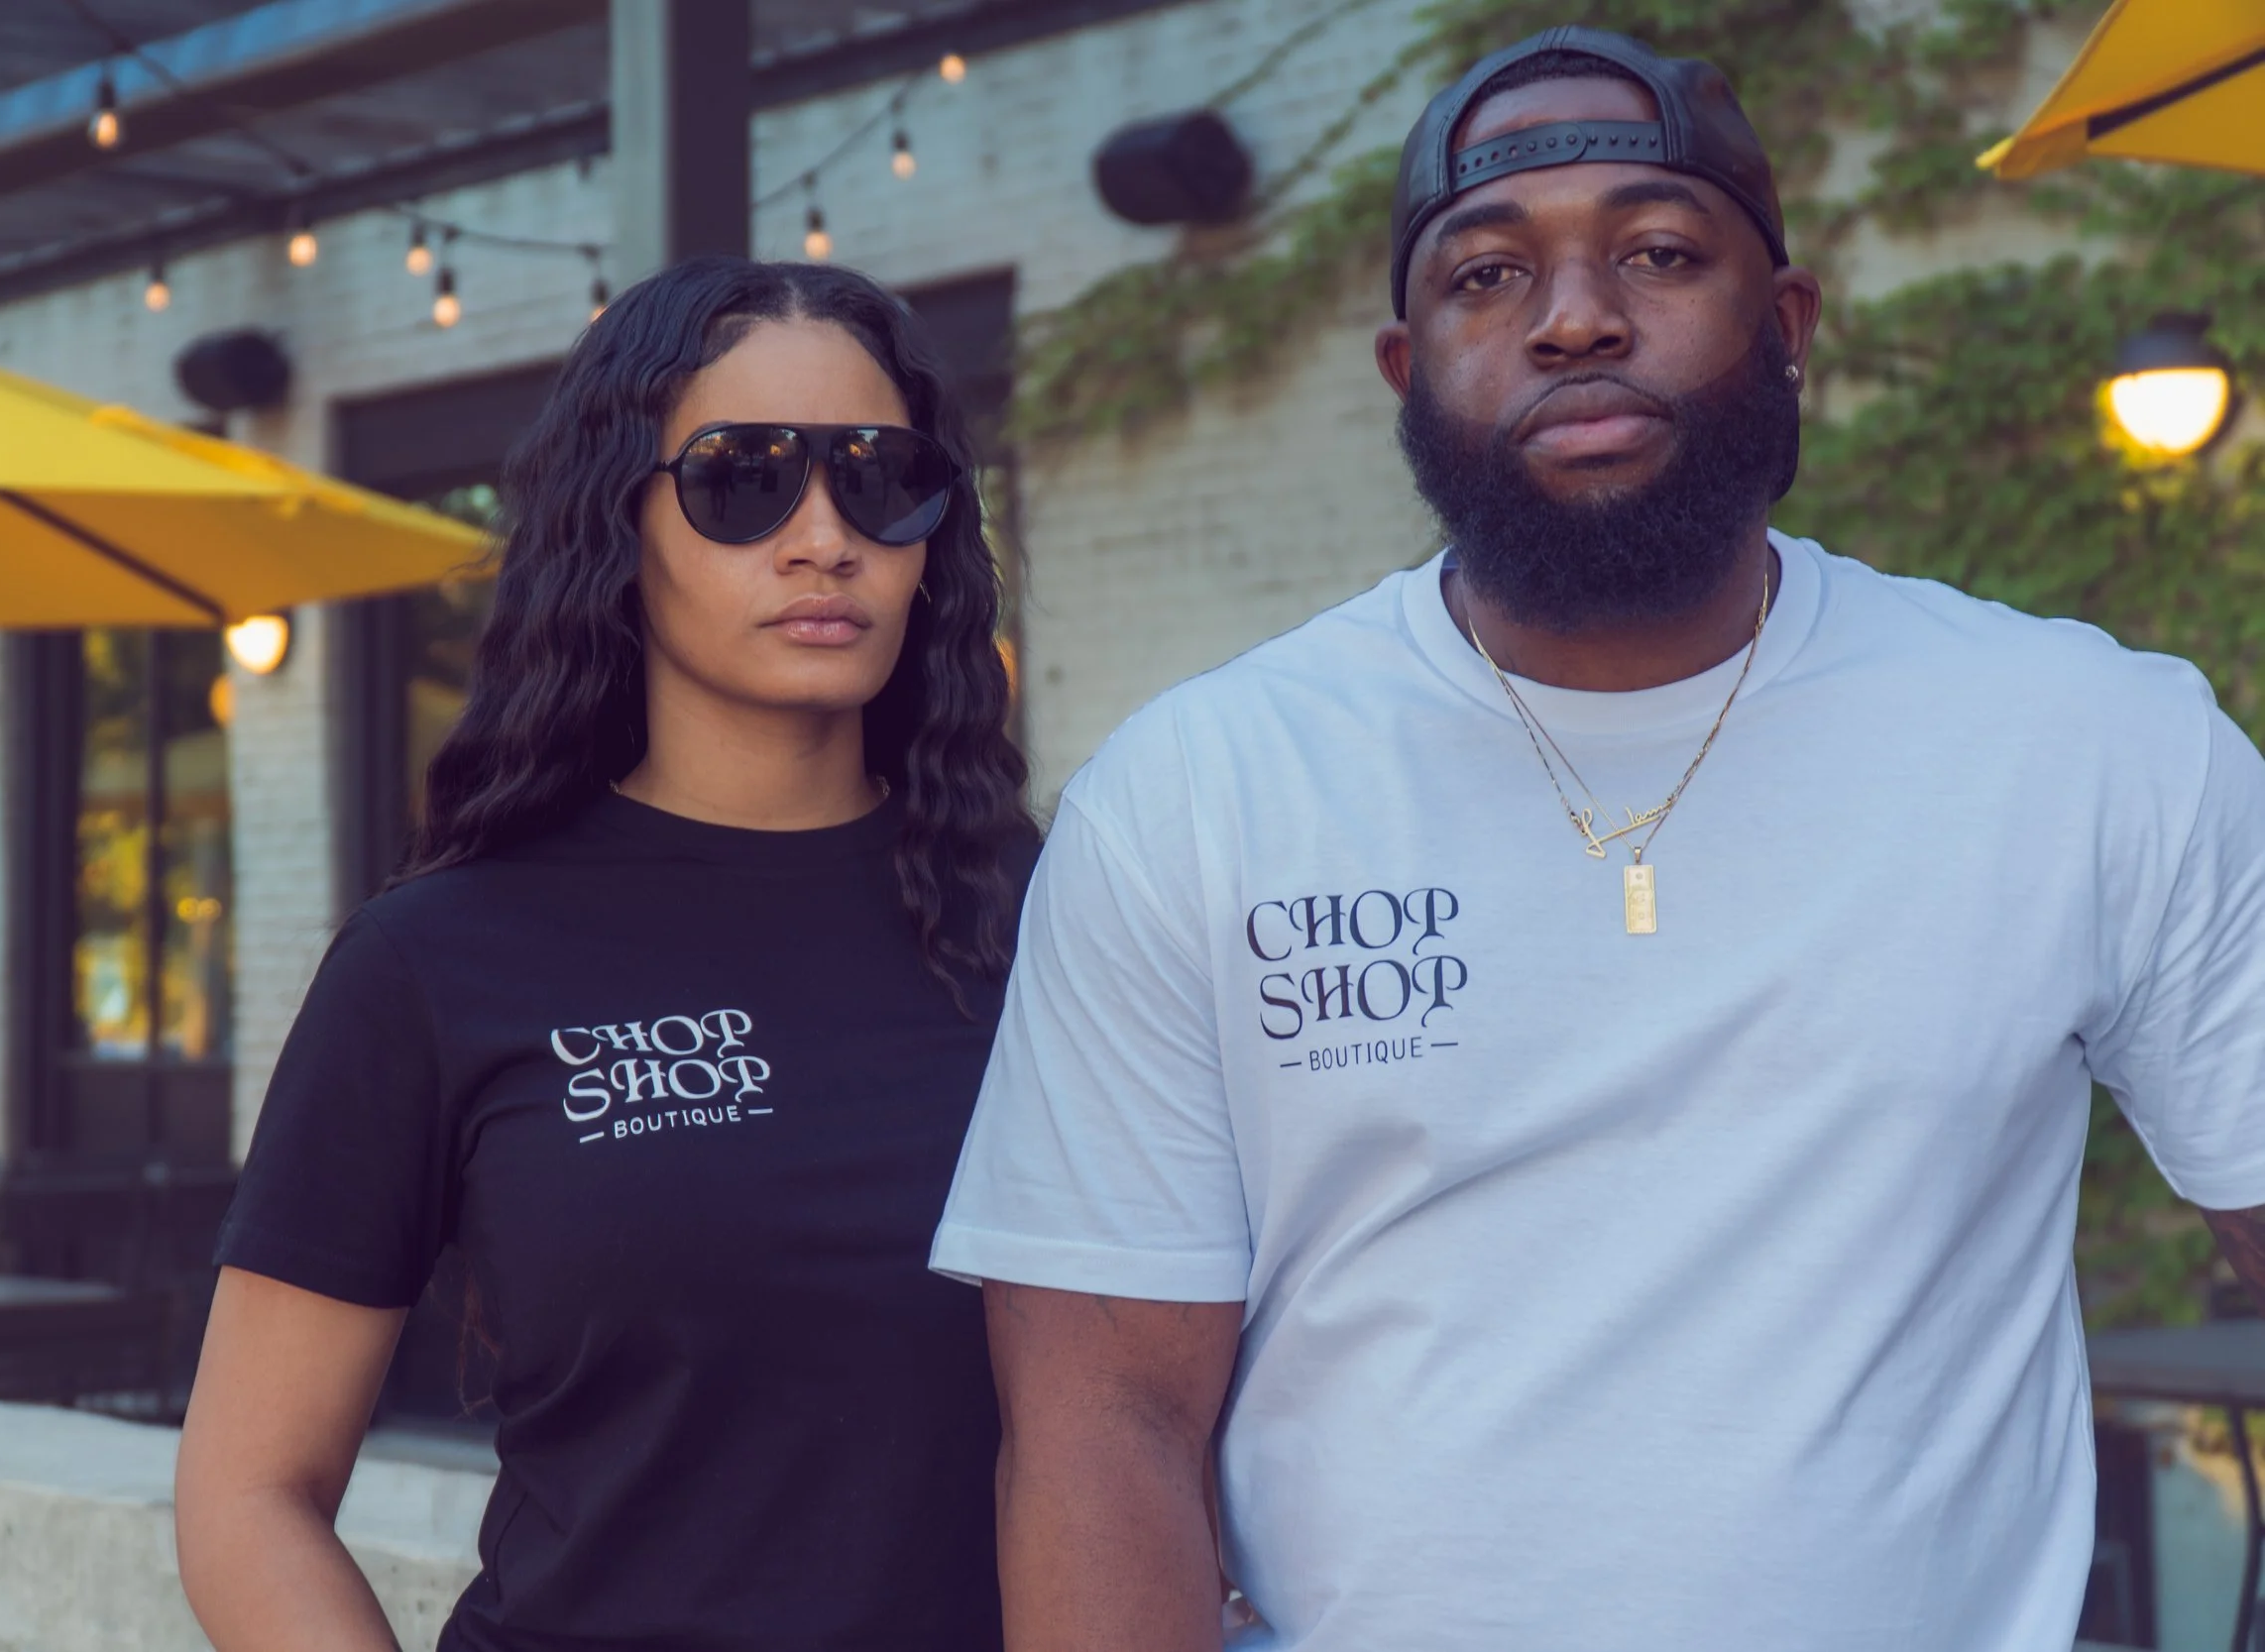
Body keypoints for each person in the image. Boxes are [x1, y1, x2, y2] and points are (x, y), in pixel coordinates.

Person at [933, 26, 2265, 1652]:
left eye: (1656, 251)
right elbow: (1104, 1421)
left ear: (1785, 327)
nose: (1575, 316)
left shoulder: (2092, 741)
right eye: (1487, 276)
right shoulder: (1202, 792)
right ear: (1405, 372)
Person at [176, 256, 1033, 1652]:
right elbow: (246, 1489)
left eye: (881, 476)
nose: (826, 536)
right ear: (616, 521)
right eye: (744, 479)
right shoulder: (440, 959)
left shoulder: (1051, 921)